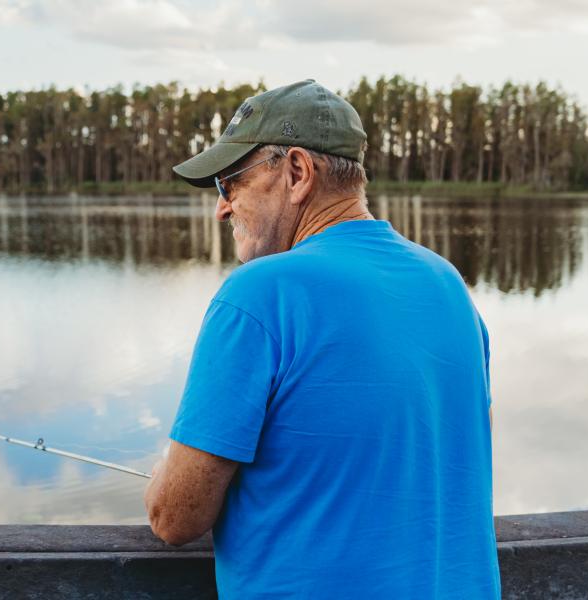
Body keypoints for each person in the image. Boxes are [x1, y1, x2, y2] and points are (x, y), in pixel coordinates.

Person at [142, 80, 500, 598]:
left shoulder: (261, 292)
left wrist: (161, 476)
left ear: (297, 172)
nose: (222, 208)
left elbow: (174, 517)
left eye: (230, 183)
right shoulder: (446, 284)